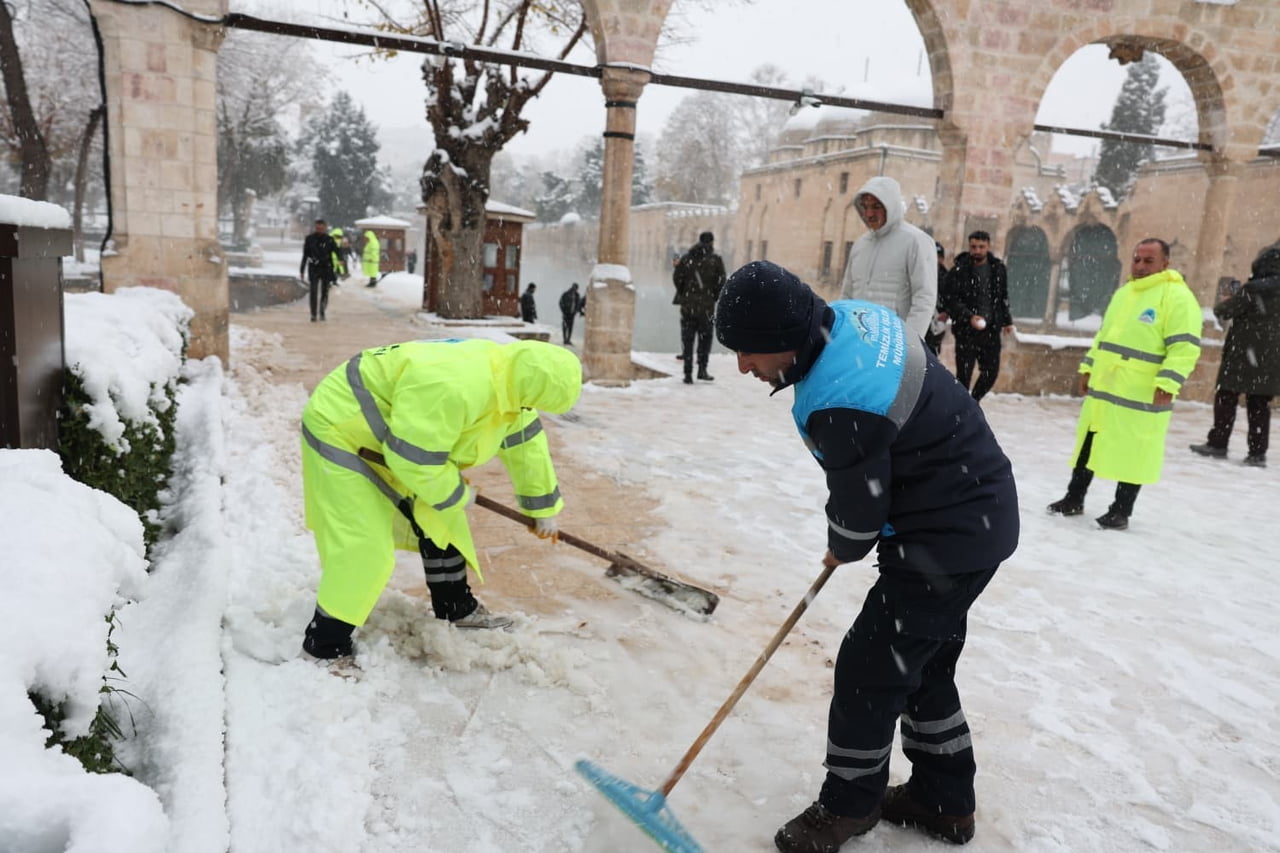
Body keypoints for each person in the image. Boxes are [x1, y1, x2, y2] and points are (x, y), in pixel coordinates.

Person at [714, 261, 1019, 851]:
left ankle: (848, 805)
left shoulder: (841, 400)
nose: (743, 366)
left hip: (945, 535)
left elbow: (856, 520)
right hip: (977, 509)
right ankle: (944, 799)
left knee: (869, 673)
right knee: (920, 667)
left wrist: (840, 544)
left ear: (783, 339)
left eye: (749, 351)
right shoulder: (856, 318)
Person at [299, 338, 582, 663]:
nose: (531, 410)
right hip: (342, 428)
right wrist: (454, 492)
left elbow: (525, 445)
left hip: (396, 434)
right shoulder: (455, 383)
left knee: (441, 518)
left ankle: (455, 609)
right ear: (532, 384)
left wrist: (542, 508)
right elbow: (414, 460)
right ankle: (324, 645)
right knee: (365, 548)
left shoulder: (514, 383)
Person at [1047, 238, 1203, 530]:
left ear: (1165, 263)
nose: (1140, 266)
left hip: (1140, 396)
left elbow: (1185, 347)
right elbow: (1104, 338)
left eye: (1148, 261)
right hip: (1106, 392)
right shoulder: (1125, 293)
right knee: (1088, 446)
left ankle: (1121, 510)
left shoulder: (1177, 298)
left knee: (1135, 452)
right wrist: (1088, 368)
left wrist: (1169, 382)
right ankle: (1074, 497)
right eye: (1137, 259)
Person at [1189, 243, 1280, 467]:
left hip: (1241, 356)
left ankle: (1218, 443)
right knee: (1259, 405)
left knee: (1226, 398)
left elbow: (1224, 312)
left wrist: (1231, 297)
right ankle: (1257, 453)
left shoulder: (1254, 289)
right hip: (1271, 360)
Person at [840, 176, 937, 339]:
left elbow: (924, 298)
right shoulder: (860, 245)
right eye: (865, 207)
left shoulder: (915, 241)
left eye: (876, 207)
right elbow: (847, 295)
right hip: (859, 341)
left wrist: (908, 343)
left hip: (893, 343)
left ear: (890, 206)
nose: (869, 213)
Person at [946, 231, 1014, 401]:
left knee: (991, 371)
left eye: (981, 247)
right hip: (966, 331)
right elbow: (952, 300)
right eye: (974, 247)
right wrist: (969, 316)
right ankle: (961, 407)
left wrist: (1007, 321)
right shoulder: (959, 270)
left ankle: (973, 402)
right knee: (964, 374)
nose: (977, 250)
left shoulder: (997, 269)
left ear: (988, 247)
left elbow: (1002, 296)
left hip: (990, 330)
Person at [673, 231, 727, 384]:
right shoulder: (715, 260)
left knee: (687, 339)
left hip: (688, 306)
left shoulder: (687, 259)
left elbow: (677, 278)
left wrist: (685, 293)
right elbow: (722, 281)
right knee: (705, 339)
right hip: (706, 307)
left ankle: (688, 374)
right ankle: (702, 370)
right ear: (711, 242)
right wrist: (712, 296)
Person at [299, 218, 339, 322]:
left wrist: (342, 259)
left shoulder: (329, 239)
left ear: (325, 228)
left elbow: (337, 251)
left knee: (325, 292)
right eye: (317, 228)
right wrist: (302, 270)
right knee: (313, 291)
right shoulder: (310, 239)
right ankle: (313, 314)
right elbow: (305, 255)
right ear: (315, 228)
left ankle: (322, 311)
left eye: (321, 228)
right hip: (314, 268)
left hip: (326, 268)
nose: (319, 230)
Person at [924, 242, 950, 356]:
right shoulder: (920, 273)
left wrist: (947, 312)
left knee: (931, 352)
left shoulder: (947, 277)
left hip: (937, 320)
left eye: (937, 257)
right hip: (921, 316)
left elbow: (952, 297)